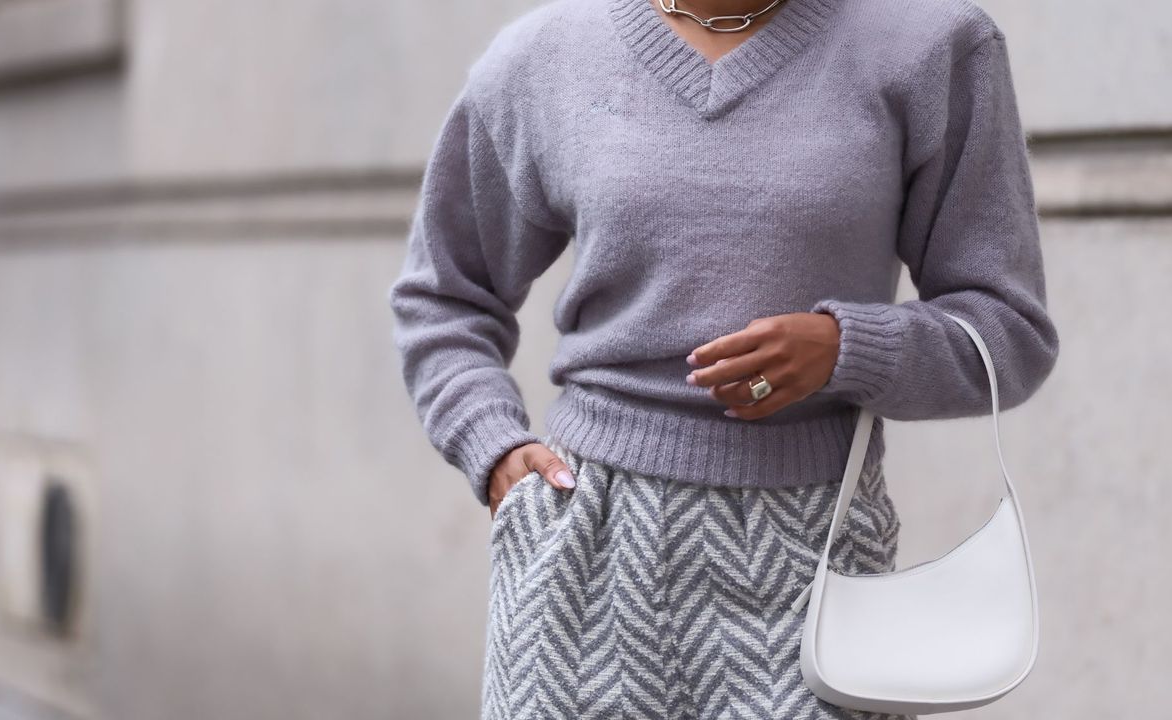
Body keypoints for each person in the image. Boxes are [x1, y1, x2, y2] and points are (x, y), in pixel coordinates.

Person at [387, 0, 1059, 716]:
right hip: (585, 547)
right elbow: (444, 297)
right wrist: (492, 448)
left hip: (812, 560)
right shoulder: (545, 56)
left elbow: (1008, 330)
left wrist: (847, 348)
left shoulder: (931, 45)